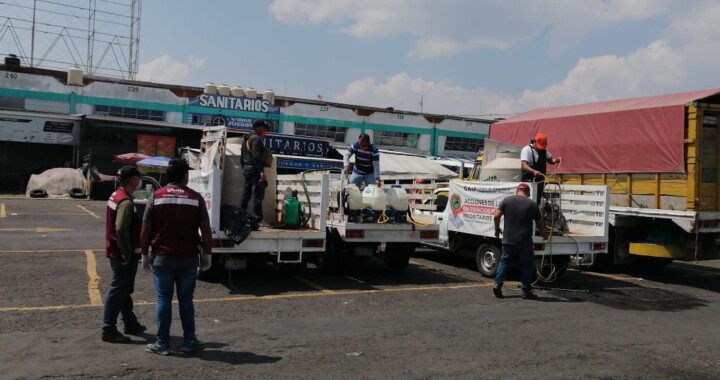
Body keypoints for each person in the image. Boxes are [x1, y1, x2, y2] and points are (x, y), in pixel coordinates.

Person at [141, 158, 213, 355]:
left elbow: (146, 229)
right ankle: (190, 341)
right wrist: (208, 253)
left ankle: (162, 343)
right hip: (188, 259)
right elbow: (205, 230)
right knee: (186, 300)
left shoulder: (156, 196)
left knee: (163, 299)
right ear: (185, 176)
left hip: (162, 258)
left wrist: (144, 254)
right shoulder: (195, 198)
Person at [101, 166, 146, 343]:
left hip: (116, 251)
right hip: (123, 255)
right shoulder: (125, 201)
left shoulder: (116, 195)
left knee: (124, 290)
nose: (140, 180)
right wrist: (127, 253)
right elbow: (121, 228)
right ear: (133, 180)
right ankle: (108, 329)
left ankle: (130, 322)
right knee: (118, 290)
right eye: (138, 177)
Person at [492, 183, 546, 300]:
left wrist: (497, 229)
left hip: (508, 239)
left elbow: (496, 216)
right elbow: (540, 222)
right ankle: (526, 291)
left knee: (504, 262)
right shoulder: (532, 204)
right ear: (527, 192)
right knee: (526, 266)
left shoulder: (507, 200)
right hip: (524, 241)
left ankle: (498, 284)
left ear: (517, 191)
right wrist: (543, 234)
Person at [241, 119, 272, 227]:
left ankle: (241, 217)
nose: (265, 132)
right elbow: (256, 156)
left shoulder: (246, 139)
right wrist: (261, 172)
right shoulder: (257, 139)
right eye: (264, 129)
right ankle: (258, 220)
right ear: (258, 128)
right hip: (254, 170)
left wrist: (244, 169)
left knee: (246, 195)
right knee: (258, 196)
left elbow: (242, 157)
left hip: (247, 170)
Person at [520, 133, 561, 203]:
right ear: (535, 142)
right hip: (529, 181)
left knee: (537, 200)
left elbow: (551, 160)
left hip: (540, 181)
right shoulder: (527, 150)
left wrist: (556, 160)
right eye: (539, 146)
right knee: (528, 200)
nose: (540, 148)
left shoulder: (544, 151)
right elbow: (524, 166)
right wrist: (534, 171)